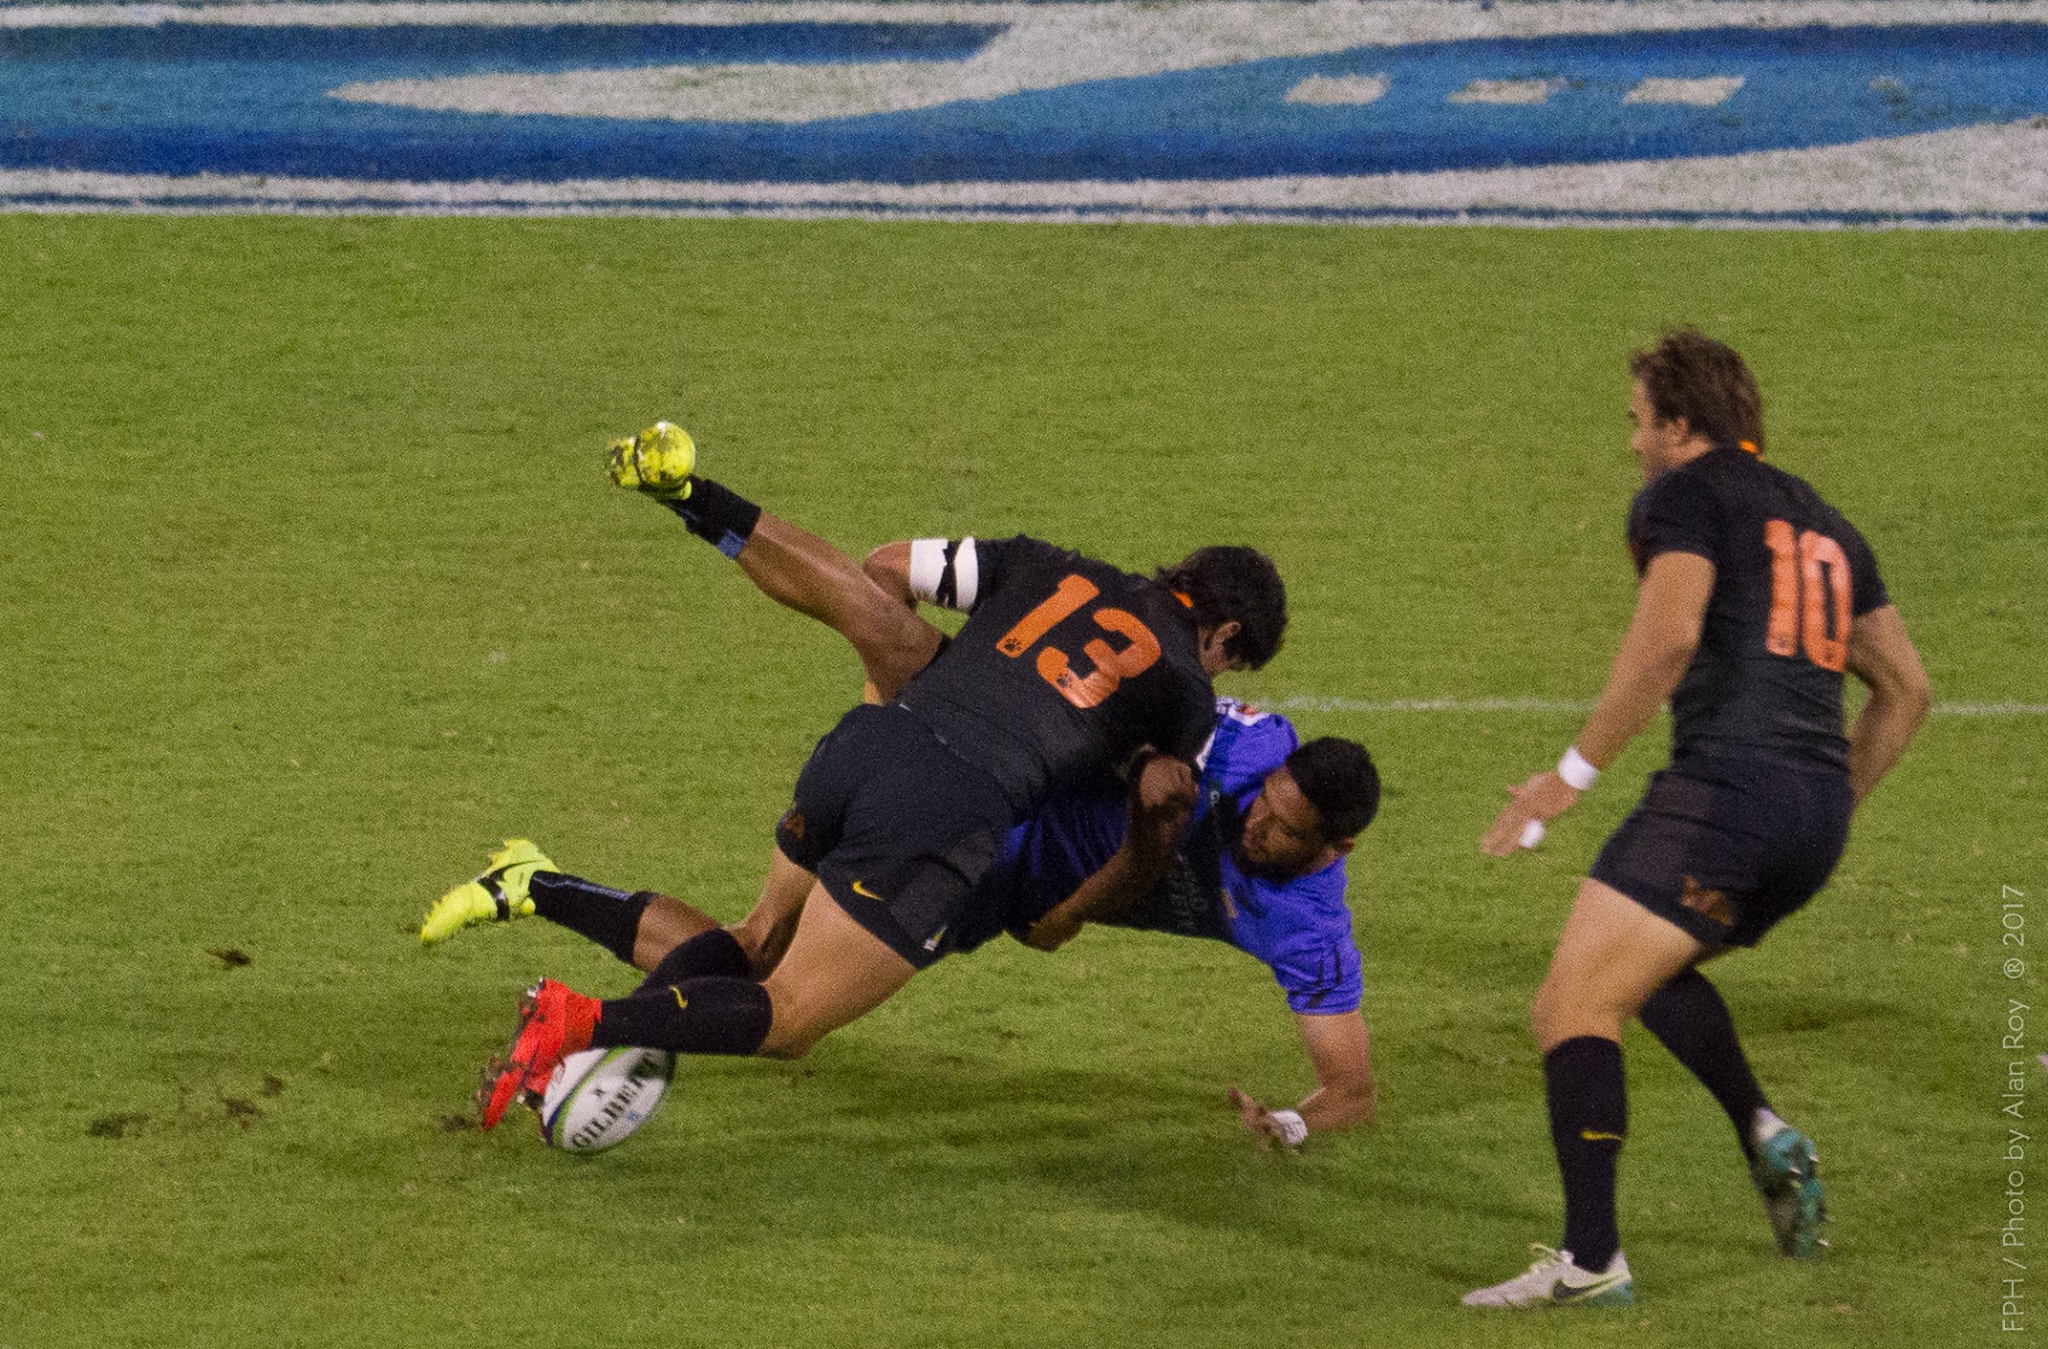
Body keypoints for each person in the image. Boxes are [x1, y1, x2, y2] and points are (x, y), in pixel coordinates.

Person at [459, 423, 1289, 1129]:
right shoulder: (1185, 690)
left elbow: (874, 582)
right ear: (1224, 636)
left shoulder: (1052, 566)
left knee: (757, 945)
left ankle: (695, 500)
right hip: (945, 815)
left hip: (862, 751)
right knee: (788, 1020)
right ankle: (579, 1022)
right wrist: (1069, 912)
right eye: (1234, 661)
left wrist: (890, 698)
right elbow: (1153, 824)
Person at [1463, 330, 1930, 1309]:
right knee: (1644, 965)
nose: (1631, 442)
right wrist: (1827, 800)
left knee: (1570, 1006)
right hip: (1808, 818)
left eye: (1638, 421)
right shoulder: (1827, 525)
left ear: (1679, 423)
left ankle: (1590, 1263)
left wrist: (1568, 775)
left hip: (1722, 795)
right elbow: (1905, 691)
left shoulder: (1682, 495)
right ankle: (1761, 1128)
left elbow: (1670, 632)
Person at [427, 694, 1382, 1144]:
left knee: (769, 969)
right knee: (782, 1008)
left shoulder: (1309, 931)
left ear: (1329, 851)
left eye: (1281, 827)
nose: (1253, 818)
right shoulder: (1252, 746)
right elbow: (1131, 697)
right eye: (1264, 801)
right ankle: (567, 988)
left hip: (985, 884)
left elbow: (1351, 1087)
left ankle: (536, 890)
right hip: (970, 827)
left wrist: (1292, 1126)